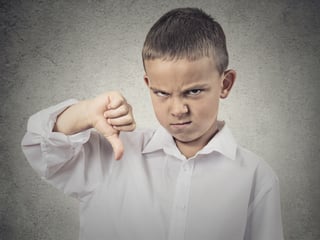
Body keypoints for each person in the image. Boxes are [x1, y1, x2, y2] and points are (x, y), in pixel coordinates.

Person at [21, 7, 284, 240]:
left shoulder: (256, 178)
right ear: (148, 85)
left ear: (225, 84)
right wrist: (86, 112)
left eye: (194, 92)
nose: (178, 110)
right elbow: (38, 147)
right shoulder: (111, 155)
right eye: (162, 93)